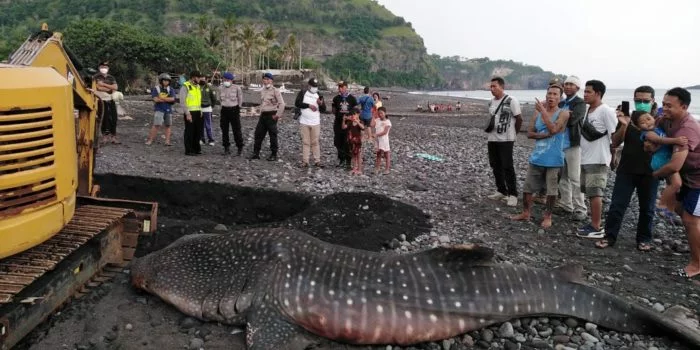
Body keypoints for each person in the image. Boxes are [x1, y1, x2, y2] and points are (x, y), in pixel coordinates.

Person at [593, 86, 661, 251]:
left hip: (651, 171)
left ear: (653, 101)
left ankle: (644, 239)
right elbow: (615, 143)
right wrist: (623, 125)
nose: (642, 103)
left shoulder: (660, 121)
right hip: (627, 169)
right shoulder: (628, 118)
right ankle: (609, 236)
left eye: (646, 101)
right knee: (617, 205)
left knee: (648, 208)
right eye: (638, 100)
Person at [651, 87, 700, 278]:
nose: (664, 108)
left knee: (690, 220)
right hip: (687, 178)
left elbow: (675, 165)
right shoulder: (666, 119)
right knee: (682, 211)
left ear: (684, 107)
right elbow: (649, 130)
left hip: (698, 180)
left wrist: (655, 174)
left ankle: (696, 265)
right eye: (663, 104)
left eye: (669, 106)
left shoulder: (688, 129)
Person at [511, 84, 570, 229]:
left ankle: (548, 216)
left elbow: (554, 129)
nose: (551, 96)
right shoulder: (537, 113)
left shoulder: (564, 113)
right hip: (537, 157)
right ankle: (526, 212)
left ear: (560, 98)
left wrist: (543, 111)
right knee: (527, 187)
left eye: (555, 94)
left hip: (554, 159)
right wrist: (543, 135)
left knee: (551, 190)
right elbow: (529, 133)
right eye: (549, 93)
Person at [577, 80, 618, 238]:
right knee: (589, 192)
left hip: (598, 158)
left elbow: (614, 136)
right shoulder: (589, 110)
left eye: (588, 92)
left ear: (598, 93)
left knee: (595, 193)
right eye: (585, 91)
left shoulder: (606, 111)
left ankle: (596, 226)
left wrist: (613, 156)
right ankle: (593, 223)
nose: (585, 94)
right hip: (586, 158)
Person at [485, 77, 523, 207]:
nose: (492, 89)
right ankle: (501, 190)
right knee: (495, 165)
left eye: (495, 86)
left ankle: (513, 194)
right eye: (491, 87)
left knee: (507, 166)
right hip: (492, 138)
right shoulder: (490, 102)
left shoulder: (511, 101)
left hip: (506, 139)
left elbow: (519, 119)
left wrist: (513, 134)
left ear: (502, 87)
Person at [556, 75, 587, 220]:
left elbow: (574, 119)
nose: (568, 86)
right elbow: (556, 118)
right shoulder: (562, 103)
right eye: (566, 84)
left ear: (577, 88)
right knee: (563, 177)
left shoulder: (580, 103)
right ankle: (566, 204)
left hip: (573, 144)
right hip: (560, 144)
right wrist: (563, 115)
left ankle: (581, 209)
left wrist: (560, 117)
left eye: (571, 84)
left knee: (575, 177)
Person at [249, 72, 285, 161]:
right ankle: (256, 153)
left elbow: (282, 104)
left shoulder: (275, 91)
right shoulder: (263, 90)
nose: (266, 81)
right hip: (263, 115)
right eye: (265, 79)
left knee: (273, 135)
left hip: (271, 115)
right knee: (258, 134)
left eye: (268, 79)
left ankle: (274, 154)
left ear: (271, 81)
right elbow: (263, 103)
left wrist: (277, 115)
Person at [295, 77, 327, 167]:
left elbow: (324, 109)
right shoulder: (303, 92)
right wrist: (308, 105)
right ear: (309, 85)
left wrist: (320, 104)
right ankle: (305, 161)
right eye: (313, 86)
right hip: (304, 122)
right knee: (305, 142)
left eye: (316, 86)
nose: (314, 88)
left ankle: (317, 161)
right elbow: (297, 103)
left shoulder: (319, 94)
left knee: (315, 142)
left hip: (315, 122)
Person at [331, 81, 358, 169]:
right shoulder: (336, 98)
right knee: (338, 141)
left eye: (342, 87)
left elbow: (356, 111)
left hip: (349, 124)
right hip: (338, 123)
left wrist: (351, 118)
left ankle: (348, 161)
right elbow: (333, 110)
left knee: (348, 142)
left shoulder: (352, 99)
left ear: (346, 87)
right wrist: (339, 115)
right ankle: (341, 159)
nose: (340, 89)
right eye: (339, 87)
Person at [93, 61, 120, 144]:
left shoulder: (111, 77)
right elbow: (97, 87)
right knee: (104, 118)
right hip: (101, 100)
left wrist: (103, 85)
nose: (104, 68)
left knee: (114, 117)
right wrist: (109, 88)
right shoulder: (95, 77)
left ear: (108, 68)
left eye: (105, 67)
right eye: (102, 67)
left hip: (111, 99)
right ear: (99, 67)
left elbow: (115, 87)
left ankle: (113, 136)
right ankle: (104, 137)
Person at [146, 73, 176, 146]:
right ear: (161, 81)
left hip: (168, 110)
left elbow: (173, 99)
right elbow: (155, 99)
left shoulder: (171, 89)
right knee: (156, 124)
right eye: (164, 80)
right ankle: (150, 140)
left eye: (167, 81)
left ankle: (167, 141)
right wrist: (167, 99)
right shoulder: (156, 88)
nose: (166, 82)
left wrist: (161, 98)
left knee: (168, 125)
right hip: (159, 109)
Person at [218, 72, 244, 155]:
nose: (226, 81)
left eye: (228, 80)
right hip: (224, 110)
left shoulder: (237, 88)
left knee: (236, 130)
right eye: (224, 79)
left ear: (231, 80)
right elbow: (219, 99)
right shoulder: (220, 88)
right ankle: (226, 148)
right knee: (224, 130)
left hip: (234, 110)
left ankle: (239, 147)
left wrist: (238, 108)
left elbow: (240, 99)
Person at [180, 71, 204, 156]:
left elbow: (198, 100)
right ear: (193, 77)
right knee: (189, 131)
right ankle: (189, 150)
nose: (200, 79)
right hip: (190, 112)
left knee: (197, 131)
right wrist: (187, 113)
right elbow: (182, 101)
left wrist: (200, 110)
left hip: (198, 112)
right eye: (198, 77)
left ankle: (196, 148)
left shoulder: (197, 86)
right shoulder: (185, 86)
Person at [343, 108, 365, 175]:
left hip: (357, 141)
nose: (353, 116)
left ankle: (360, 169)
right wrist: (343, 120)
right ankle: (354, 168)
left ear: (358, 114)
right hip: (351, 141)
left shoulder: (360, 122)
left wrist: (357, 122)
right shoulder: (350, 122)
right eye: (352, 114)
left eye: (354, 114)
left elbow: (363, 128)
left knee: (358, 155)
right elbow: (344, 127)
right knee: (353, 155)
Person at [199, 76, 218, 146]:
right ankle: (202, 139)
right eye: (201, 79)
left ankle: (211, 140)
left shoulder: (210, 87)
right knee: (200, 125)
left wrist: (211, 106)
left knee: (208, 125)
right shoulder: (197, 87)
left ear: (207, 80)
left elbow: (214, 99)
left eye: (204, 79)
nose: (202, 80)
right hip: (199, 109)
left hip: (207, 108)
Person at [374, 106, 392, 174]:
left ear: (385, 113)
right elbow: (371, 124)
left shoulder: (388, 122)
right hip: (378, 140)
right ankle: (377, 168)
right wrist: (374, 116)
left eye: (381, 113)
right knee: (378, 154)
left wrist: (376, 135)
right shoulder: (377, 120)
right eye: (379, 113)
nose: (380, 115)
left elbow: (385, 132)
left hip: (384, 140)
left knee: (386, 154)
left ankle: (387, 169)